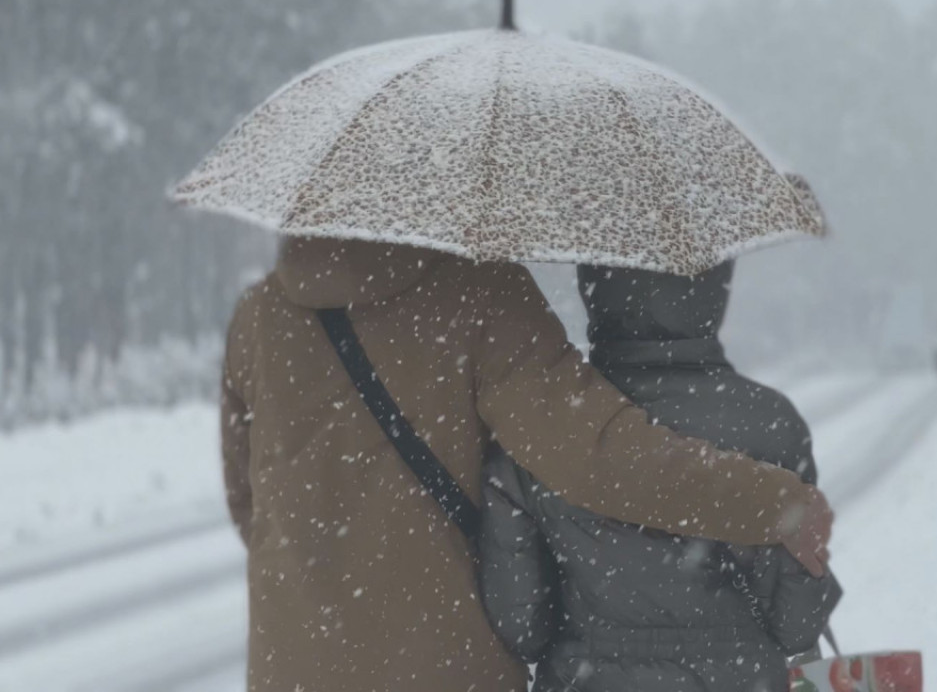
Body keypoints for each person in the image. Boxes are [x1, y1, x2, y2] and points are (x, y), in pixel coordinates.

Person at [220, 236, 833, 692]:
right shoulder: (478, 292)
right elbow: (599, 457)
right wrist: (772, 504)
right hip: (446, 669)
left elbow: (249, 502)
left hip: (291, 665)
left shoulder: (258, 314)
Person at [477, 262, 841, 692]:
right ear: (711, 290)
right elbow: (795, 627)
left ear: (593, 285)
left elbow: (522, 627)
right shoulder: (770, 423)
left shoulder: (547, 425)